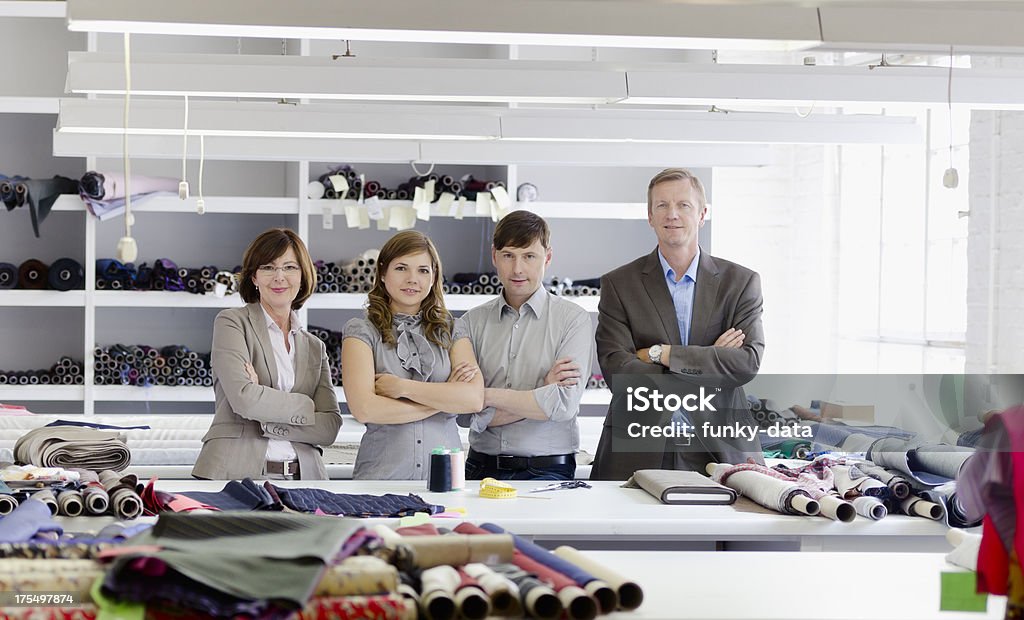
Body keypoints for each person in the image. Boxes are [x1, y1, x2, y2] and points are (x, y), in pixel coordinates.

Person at [590, 168, 766, 481]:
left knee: (724, 532)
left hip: (719, 446)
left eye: (683, 205)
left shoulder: (740, 283)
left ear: (702, 214)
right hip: (636, 446)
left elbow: (745, 364)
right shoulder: (619, 284)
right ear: (650, 215)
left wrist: (661, 353)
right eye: (662, 206)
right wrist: (710, 358)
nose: (672, 214)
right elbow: (619, 373)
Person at [193, 228, 342, 480]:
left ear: (303, 276)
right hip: (236, 475)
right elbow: (245, 400)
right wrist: (306, 405)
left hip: (304, 478)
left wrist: (264, 411)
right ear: (254, 277)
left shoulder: (315, 346)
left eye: (290, 267)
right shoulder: (232, 323)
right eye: (268, 268)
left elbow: (329, 428)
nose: (279, 277)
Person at [460, 210, 593, 481]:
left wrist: (483, 396)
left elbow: (562, 406)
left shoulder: (573, 320)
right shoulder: (469, 323)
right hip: (479, 468)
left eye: (529, 256)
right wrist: (540, 392)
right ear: (494, 256)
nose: (518, 269)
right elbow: (462, 413)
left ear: (548, 257)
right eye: (508, 255)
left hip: (548, 471)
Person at [342, 231, 484, 480]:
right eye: (401, 268)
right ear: (383, 273)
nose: (412, 279)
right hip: (381, 477)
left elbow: (472, 399)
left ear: (434, 277)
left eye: (423, 270)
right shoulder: (361, 331)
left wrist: (401, 387)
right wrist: (444, 399)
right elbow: (365, 409)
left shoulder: (453, 329)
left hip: (446, 478)